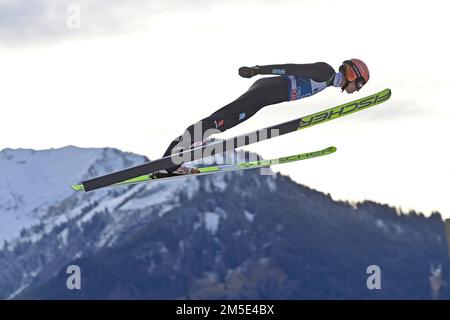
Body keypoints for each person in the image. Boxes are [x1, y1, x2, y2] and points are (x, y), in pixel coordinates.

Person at [157, 59, 370, 176]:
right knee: (221, 121)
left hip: (265, 96)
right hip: (264, 92)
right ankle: (171, 160)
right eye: (359, 85)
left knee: (222, 121)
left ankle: (173, 159)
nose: (357, 90)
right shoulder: (326, 72)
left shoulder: (327, 81)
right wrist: (259, 70)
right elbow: (292, 68)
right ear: (353, 75)